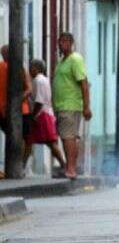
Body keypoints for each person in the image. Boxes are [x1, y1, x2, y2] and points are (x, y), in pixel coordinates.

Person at [52, 32, 91, 179]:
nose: (61, 44)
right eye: (59, 41)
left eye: (64, 41)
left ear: (70, 42)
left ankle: (71, 169)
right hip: (62, 106)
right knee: (67, 137)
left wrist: (86, 106)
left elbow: (84, 83)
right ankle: (70, 167)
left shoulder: (75, 59)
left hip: (71, 105)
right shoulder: (63, 61)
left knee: (69, 137)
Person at [23, 59, 65, 170]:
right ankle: (22, 166)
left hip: (42, 115)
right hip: (43, 114)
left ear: (36, 68)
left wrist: (33, 116)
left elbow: (39, 101)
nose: (29, 70)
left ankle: (63, 164)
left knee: (50, 142)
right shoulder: (43, 80)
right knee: (29, 140)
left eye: (31, 67)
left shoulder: (39, 80)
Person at [0, 46, 32, 163]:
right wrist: (17, 102)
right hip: (18, 109)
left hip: (8, 109)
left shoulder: (18, 68)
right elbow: (29, 89)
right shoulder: (19, 68)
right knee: (23, 138)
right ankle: (19, 165)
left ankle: (16, 164)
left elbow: (28, 89)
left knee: (15, 137)